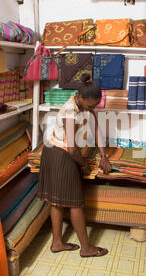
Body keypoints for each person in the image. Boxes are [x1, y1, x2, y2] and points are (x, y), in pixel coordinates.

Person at [37, 74, 112, 257]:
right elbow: (72, 150)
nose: (92, 109)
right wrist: (84, 165)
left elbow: (96, 129)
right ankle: (86, 248)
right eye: (91, 105)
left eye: (94, 106)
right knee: (76, 203)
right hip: (60, 155)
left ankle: (57, 243)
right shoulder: (71, 112)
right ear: (81, 97)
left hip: (53, 151)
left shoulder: (83, 104)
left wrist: (104, 155)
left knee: (56, 201)